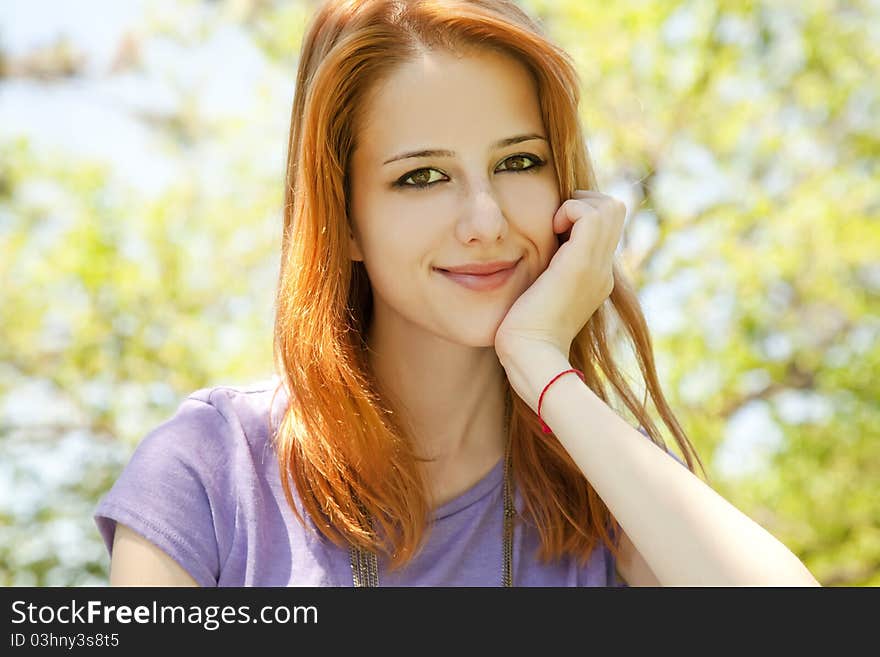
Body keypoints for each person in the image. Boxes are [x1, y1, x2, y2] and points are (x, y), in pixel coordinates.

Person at [94, 0, 820, 587]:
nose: (486, 220)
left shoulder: (599, 495)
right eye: (422, 176)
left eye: (519, 162)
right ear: (343, 221)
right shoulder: (211, 472)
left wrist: (543, 368)